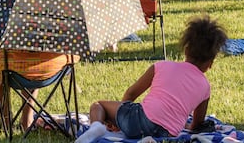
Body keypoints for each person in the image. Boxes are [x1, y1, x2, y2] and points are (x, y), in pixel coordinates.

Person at [76, 16, 227, 142]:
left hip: (136, 121)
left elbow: (130, 94)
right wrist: (185, 125)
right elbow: (197, 124)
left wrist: (119, 121)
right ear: (210, 63)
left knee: (98, 105)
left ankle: (96, 127)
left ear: (186, 50)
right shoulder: (205, 87)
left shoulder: (161, 66)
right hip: (167, 134)